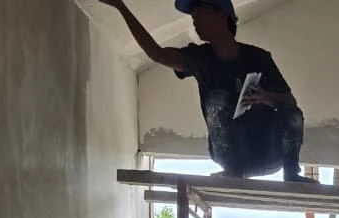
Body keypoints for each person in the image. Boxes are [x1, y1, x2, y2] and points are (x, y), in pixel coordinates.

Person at [99, 0, 314, 183]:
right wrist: (121, 7)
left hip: (268, 153)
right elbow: (158, 54)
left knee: (292, 113)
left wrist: (265, 97)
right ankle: (233, 169)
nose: (194, 19)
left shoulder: (259, 58)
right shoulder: (200, 58)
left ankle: (291, 173)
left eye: (199, 11)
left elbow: (290, 103)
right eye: (192, 15)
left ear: (222, 15)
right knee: (217, 100)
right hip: (230, 153)